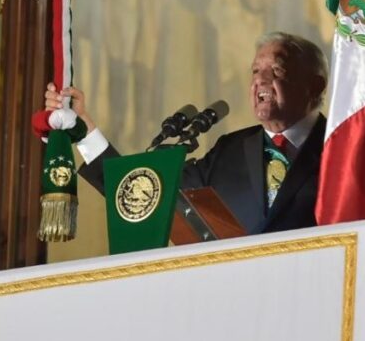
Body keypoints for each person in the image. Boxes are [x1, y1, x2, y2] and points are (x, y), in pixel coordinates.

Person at [34, 32, 328, 234]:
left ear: (314, 86)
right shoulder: (230, 149)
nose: (261, 81)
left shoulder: (341, 146)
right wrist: (83, 130)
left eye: (277, 71)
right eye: (255, 71)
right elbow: (145, 193)